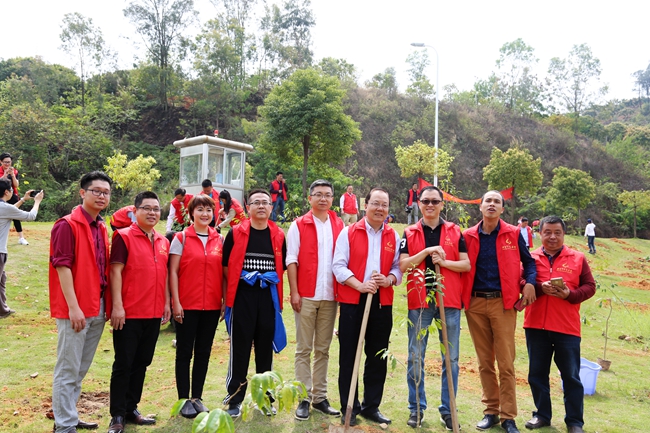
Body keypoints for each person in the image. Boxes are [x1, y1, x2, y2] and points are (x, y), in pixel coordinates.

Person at [462, 190, 537, 433]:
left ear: (502, 209)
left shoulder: (513, 233)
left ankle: (508, 417)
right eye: (488, 201)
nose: (492, 204)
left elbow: (530, 262)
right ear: (480, 207)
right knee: (484, 362)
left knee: (505, 363)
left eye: (497, 202)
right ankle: (491, 411)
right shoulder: (468, 235)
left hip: (503, 304)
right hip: (475, 304)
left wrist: (530, 283)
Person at [399, 185, 470, 430]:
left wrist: (444, 262)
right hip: (419, 302)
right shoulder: (409, 232)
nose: (430, 205)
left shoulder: (455, 231)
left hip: (448, 302)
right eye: (426, 201)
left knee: (451, 359)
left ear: (442, 204)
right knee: (415, 356)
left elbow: (466, 265)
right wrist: (427, 251)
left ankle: (448, 410)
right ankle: (416, 408)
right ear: (419, 204)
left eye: (435, 201)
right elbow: (404, 265)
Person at [332, 187, 402, 426]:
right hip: (353, 300)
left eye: (384, 205)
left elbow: (398, 267)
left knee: (377, 355)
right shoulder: (349, 232)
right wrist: (360, 285)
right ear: (365, 205)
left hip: (381, 302)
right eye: (376, 203)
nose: (380, 209)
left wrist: (389, 279)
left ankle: (372, 406)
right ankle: (348, 406)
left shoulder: (393, 236)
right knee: (349, 355)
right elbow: (338, 266)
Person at [49, 171, 112, 433]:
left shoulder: (101, 226)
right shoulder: (66, 225)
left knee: (80, 368)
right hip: (75, 308)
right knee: (67, 369)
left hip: (97, 304)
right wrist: (73, 308)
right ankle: (64, 426)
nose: (101, 196)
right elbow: (62, 267)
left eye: (106, 192)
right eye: (96, 191)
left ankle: (69, 415)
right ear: (82, 192)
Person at [523, 216, 595, 433]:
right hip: (536, 325)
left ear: (564, 234)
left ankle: (574, 422)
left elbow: (590, 286)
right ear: (540, 234)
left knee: (571, 377)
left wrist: (569, 295)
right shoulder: (530, 258)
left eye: (557, 232)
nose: (552, 237)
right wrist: (538, 288)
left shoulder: (578, 258)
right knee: (537, 374)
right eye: (547, 232)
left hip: (566, 327)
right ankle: (542, 415)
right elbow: (520, 282)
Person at [106, 191, 170, 433]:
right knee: (124, 363)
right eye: (147, 208)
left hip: (153, 313)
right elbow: (115, 272)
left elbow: (164, 275)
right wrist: (117, 306)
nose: (152, 212)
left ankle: (131, 408)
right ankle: (117, 414)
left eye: (156, 209)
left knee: (142, 362)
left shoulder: (163, 241)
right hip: (129, 312)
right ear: (135, 211)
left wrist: (166, 303)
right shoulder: (123, 237)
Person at [222, 189, 287, 418]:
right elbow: (226, 267)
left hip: (267, 296)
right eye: (256, 202)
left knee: (264, 349)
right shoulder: (235, 233)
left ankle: (265, 399)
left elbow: (281, 267)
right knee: (240, 348)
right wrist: (244, 280)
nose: (261, 206)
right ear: (247, 207)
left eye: (265, 203)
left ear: (271, 207)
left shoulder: (279, 235)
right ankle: (235, 399)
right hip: (243, 295)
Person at [287, 180, 344, 421]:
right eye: (318, 194)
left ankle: (320, 397)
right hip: (306, 295)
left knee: (323, 349)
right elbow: (291, 260)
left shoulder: (339, 225)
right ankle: (304, 397)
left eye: (327, 195)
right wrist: (295, 292)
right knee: (304, 349)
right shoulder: (299, 225)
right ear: (310, 198)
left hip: (330, 296)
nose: (323, 199)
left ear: (332, 199)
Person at [169, 195, 226, 418]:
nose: (205, 214)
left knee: (203, 352)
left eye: (208, 210)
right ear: (191, 213)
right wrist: (176, 302)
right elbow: (173, 272)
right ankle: (184, 399)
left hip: (211, 306)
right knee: (184, 352)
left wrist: (223, 300)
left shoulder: (219, 240)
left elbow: (223, 274)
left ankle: (197, 398)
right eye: (200, 209)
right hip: (187, 305)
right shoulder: (181, 238)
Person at [0, 181, 43, 319]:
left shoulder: (4, 208)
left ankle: (2, 310)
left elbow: (9, 210)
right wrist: (37, 202)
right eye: (11, 189)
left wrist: (23, 199)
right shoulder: (5, 208)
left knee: (2, 279)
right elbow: (31, 216)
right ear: (6, 192)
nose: (13, 191)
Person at [0, 152, 29, 245]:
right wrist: (5, 174)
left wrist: (12, 175)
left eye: (9, 162)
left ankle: (21, 238)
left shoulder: (15, 171)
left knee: (15, 215)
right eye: (5, 162)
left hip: (12, 195)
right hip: (1, 196)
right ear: (1, 162)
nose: (7, 164)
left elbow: (16, 185)